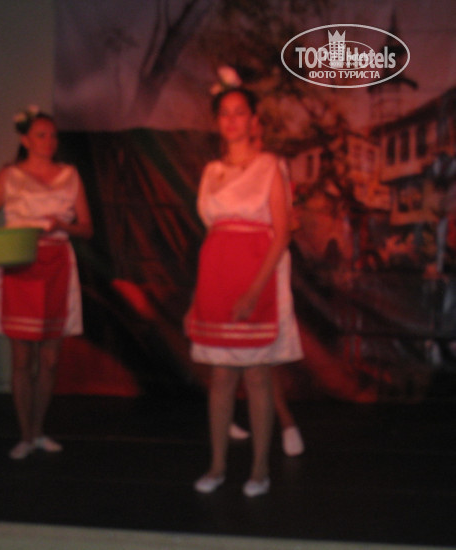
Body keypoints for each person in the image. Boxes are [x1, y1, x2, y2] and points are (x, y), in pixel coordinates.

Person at [184, 87, 303, 497]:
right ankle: (217, 466)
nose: (232, 120)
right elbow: (211, 236)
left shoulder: (270, 165)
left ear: (253, 119)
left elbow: (282, 232)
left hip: (256, 274)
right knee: (220, 376)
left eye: (240, 112)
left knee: (256, 375)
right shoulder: (211, 171)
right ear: (217, 121)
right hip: (217, 276)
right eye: (225, 113)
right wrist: (196, 299)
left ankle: (259, 469)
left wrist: (254, 290)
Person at [0, 107, 93, 460]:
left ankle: (39, 429)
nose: (49, 141)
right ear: (25, 139)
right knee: (22, 358)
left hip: (57, 265)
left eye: (53, 135)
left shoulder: (70, 175)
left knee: (49, 358)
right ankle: (25, 434)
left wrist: (62, 226)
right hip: (20, 263)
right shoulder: (10, 175)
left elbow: (87, 227)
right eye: (40, 135)